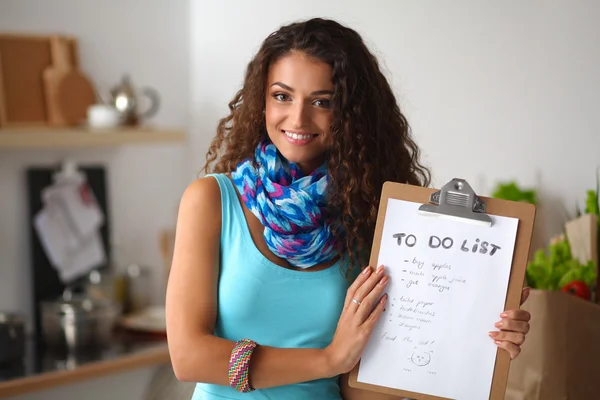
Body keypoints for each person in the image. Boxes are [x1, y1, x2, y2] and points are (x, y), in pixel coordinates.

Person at [165, 17, 532, 400]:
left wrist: (473, 337)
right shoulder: (211, 201)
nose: (298, 118)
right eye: (282, 96)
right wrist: (328, 359)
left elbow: (362, 387)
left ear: (351, 114)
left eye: (322, 102)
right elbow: (189, 357)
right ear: (262, 100)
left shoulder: (376, 216)